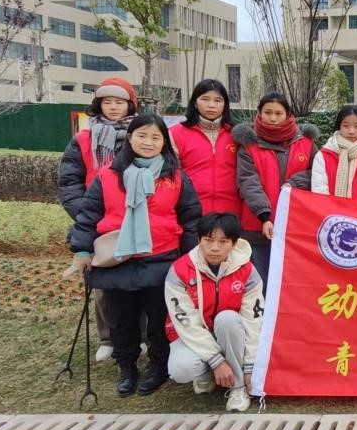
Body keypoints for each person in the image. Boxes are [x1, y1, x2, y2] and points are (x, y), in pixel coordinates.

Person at [68, 114, 203, 398]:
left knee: (159, 318)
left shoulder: (176, 178)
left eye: (155, 137)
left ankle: (158, 366)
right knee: (122, 319)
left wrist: (190, 257)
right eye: (142, 135)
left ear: (164, 142)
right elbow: (89, 214)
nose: (148, 142)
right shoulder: (108, 176)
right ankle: (126, 366)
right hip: (118, 257)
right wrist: (81, 249)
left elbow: (191, 218)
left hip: (161, 257)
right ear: (129, 138)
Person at [57, 76, 138, 364]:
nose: (113, 107)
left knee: (139, 280)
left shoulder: (141, 135)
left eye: (120, 102)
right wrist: (87, 216)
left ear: (130, 105)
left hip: (136, 218)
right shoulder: (84, 139)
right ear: (98, 105)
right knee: (103, 282)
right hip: (99, 220)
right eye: (107, 102)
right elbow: (70, 183)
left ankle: (138, 335)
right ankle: (108, 337)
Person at [165, 213, 263, 413]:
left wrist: (250, 366)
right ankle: (207, 375)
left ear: (234, 243)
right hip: (194, 334)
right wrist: (216, 361)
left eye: (223, 241)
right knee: (181, 369)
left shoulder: (247, 270)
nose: (215, 248)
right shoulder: (180, 270)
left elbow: (253, 320)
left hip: (231, 333)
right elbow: (185, 322)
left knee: (227, 319)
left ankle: (237, 387)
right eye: (208, 240)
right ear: (199, 240)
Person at [233, 93, 317, 279]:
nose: (272, 118)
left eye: (278, 113)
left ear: (288, 114)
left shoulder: (306, 143)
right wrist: (264, 216)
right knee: (260, 282)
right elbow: (248, 181)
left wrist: (295, 183)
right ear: (259, 113)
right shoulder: (249, 144)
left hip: (295, 227)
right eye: (268, 112)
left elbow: (317, 173)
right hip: (257, 226)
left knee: (291, 284)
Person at [170, 79, 241, 216]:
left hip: (231, 212)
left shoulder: (237, 134)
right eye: (205, 99)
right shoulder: (175, 133)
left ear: (225, 104)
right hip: (191, 211)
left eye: (218, 100)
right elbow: (171, 175)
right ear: (195, 103)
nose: (211, 105)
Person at [310, 104, 357, 202]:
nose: (351, 131)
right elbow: (319, 191)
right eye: (346, 126)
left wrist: (354, 212)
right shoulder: (323, 156)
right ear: (339, 126)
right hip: (328, 211)